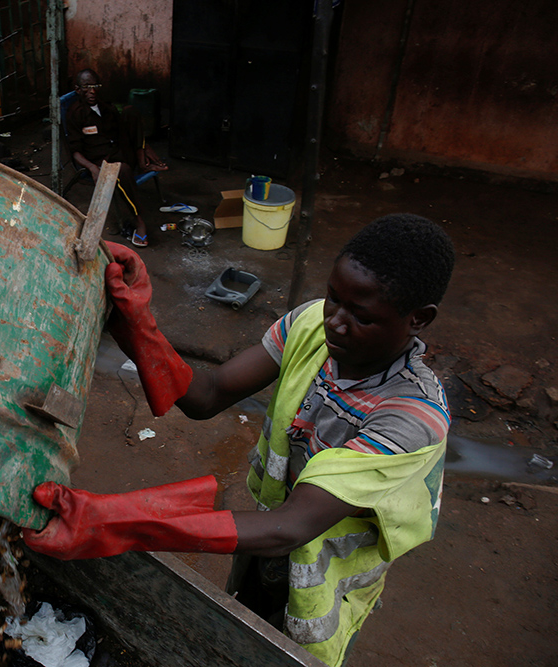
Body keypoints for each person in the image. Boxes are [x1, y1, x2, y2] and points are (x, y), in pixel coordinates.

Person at [23, 214, 455, 667]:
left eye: (361, 317)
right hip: (260, 544)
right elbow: (207, 396)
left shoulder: (411, 417)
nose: (336, 323)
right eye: (333, 299)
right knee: (237, 637)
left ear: (418, 320)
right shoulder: (310, 324)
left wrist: (111, 521)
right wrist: (135, 319)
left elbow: (291, 528)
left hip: (321, 583)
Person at [65, 69, 167, 248]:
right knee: (123, 170)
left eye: (95, 87)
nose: (92, 92)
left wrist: (144, 148)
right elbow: (75, 153)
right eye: (87, 88)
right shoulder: (76, 114)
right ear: (78, 89)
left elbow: (126, 131)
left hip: (119, 151)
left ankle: (143, 161)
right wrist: (92, 168)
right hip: (102, 161)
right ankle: (138, 221)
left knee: (130, 112)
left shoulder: (106, 107)